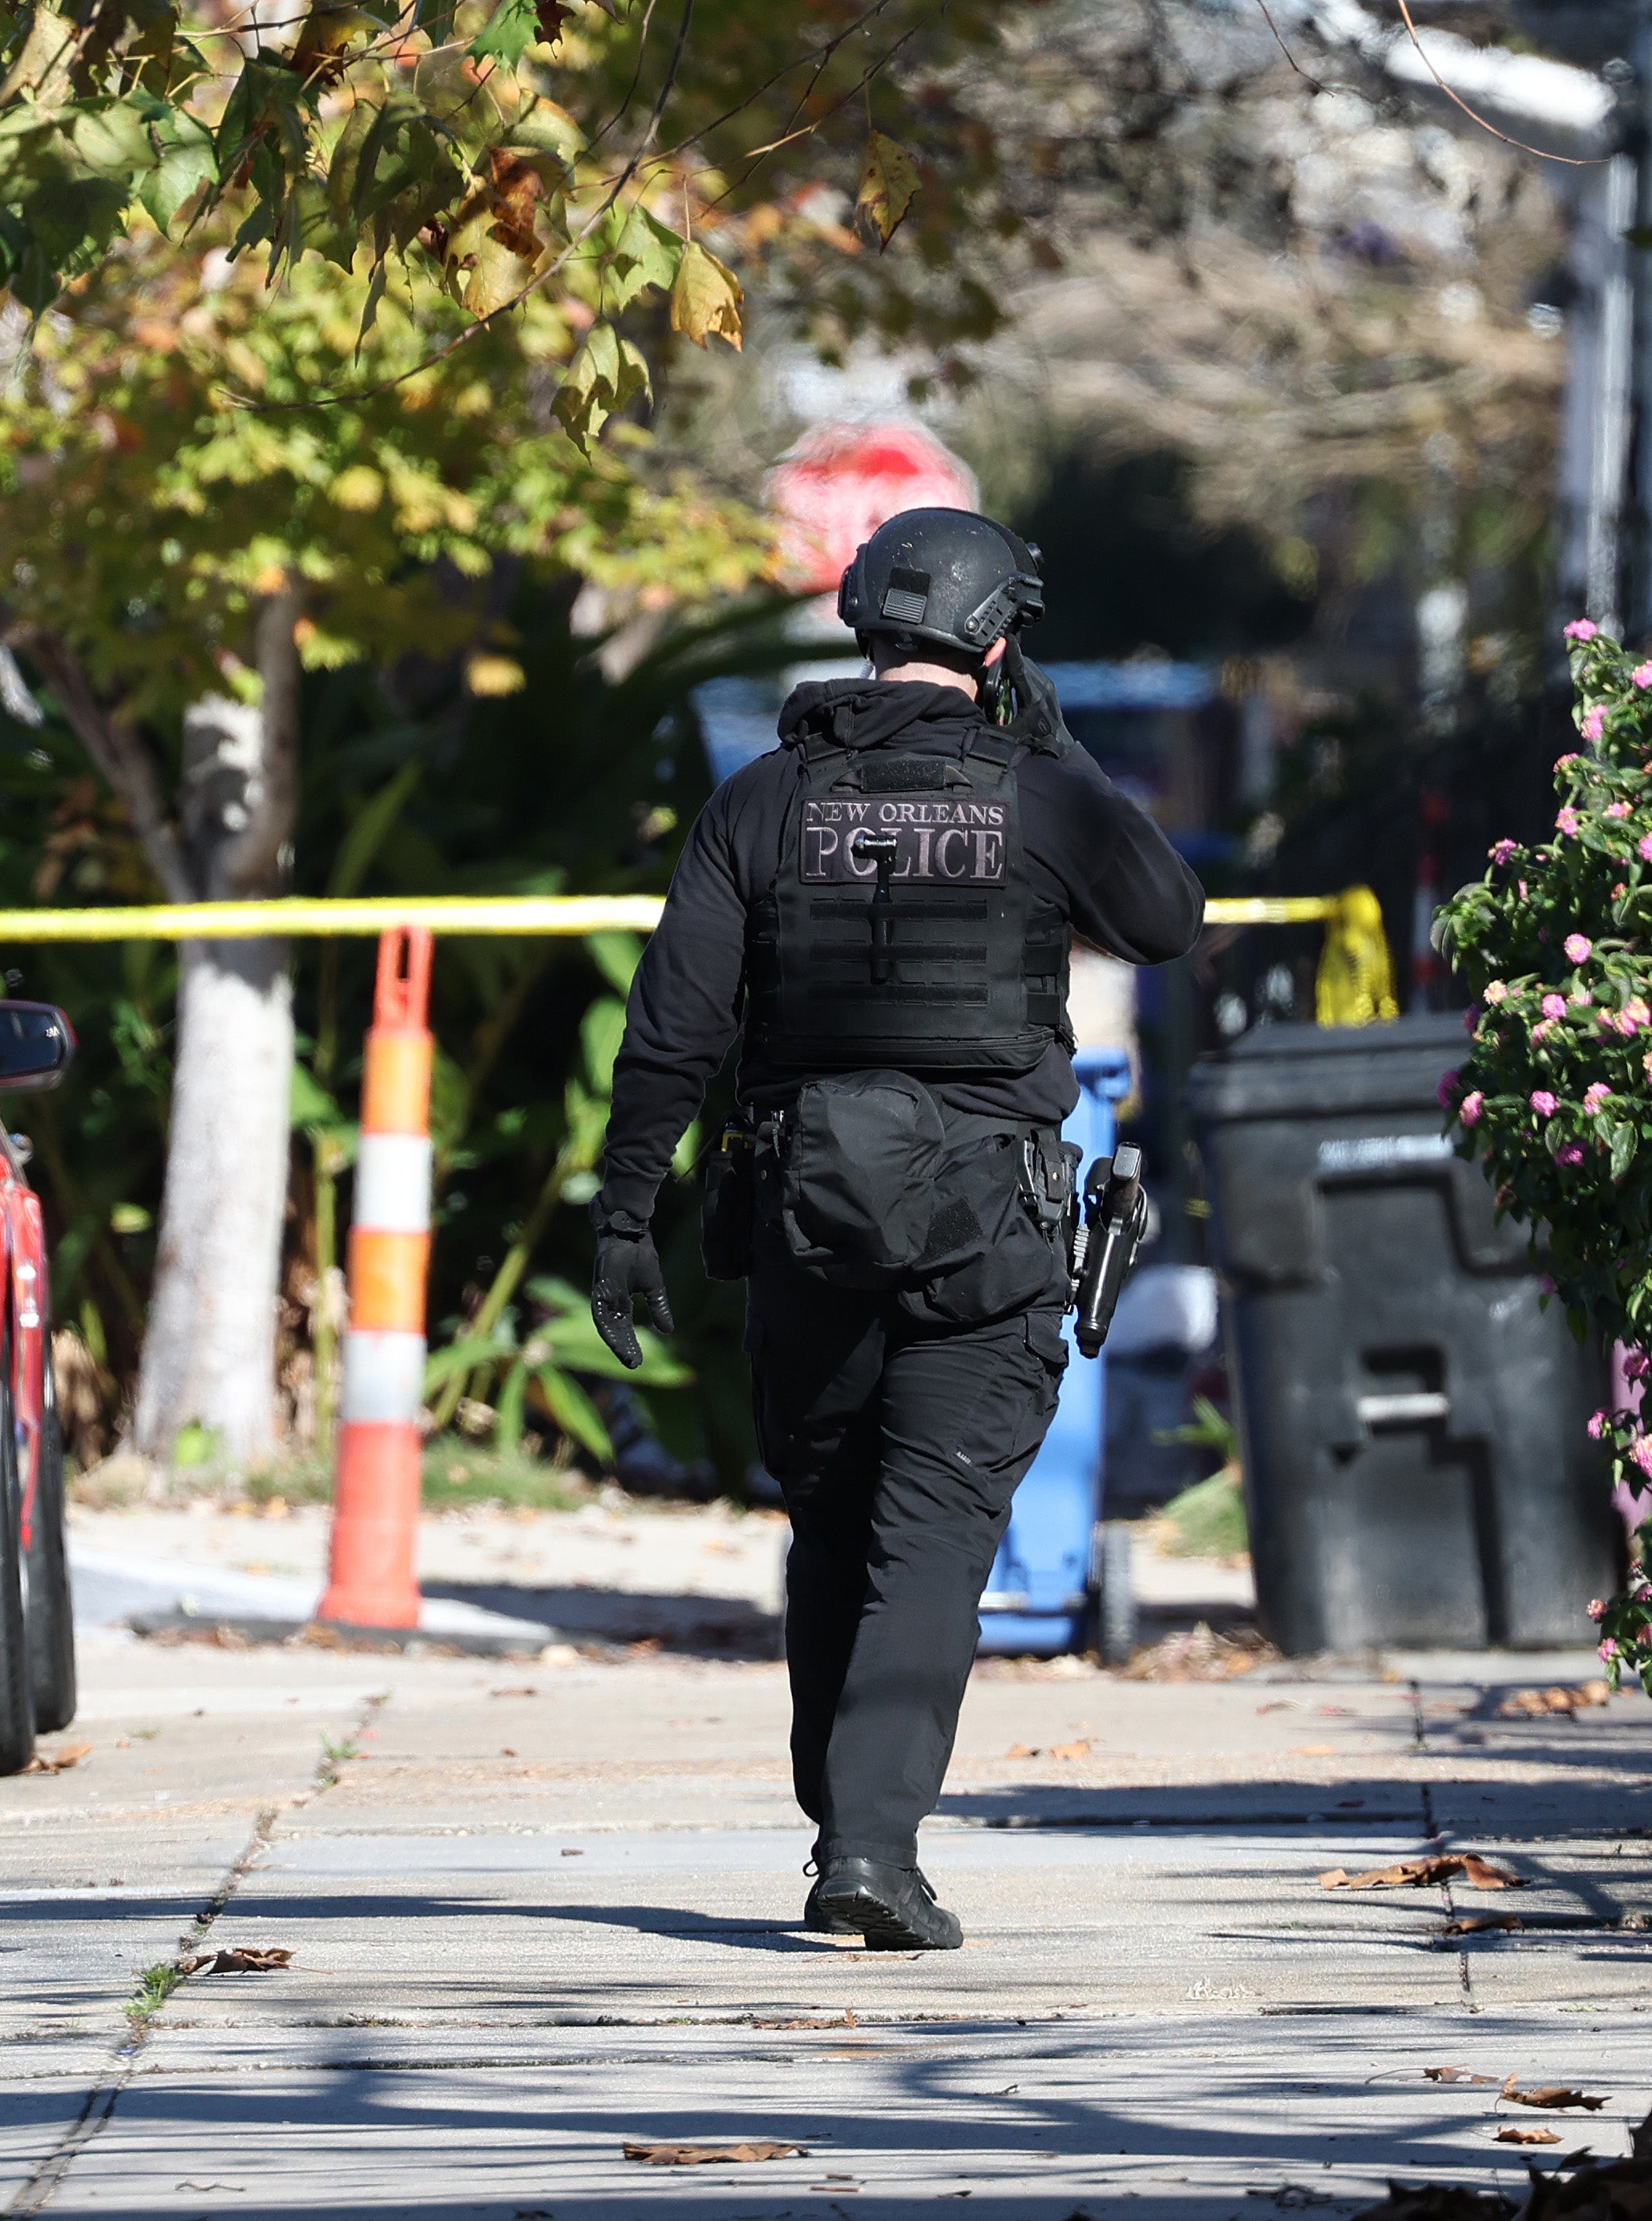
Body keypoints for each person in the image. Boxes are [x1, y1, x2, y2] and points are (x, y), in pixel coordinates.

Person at [588, 507, 1203, 1948]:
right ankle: (868, 1844)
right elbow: (1164, 920)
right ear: (999, 639)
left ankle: (844, 1816)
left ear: (862, 622)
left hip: (806, 1217)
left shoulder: (760, 802)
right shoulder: (1039, 792)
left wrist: (625, 1213)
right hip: (987, 1225)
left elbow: (673, 1029)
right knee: (929, 1539)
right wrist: (1055, 753)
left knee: (833, 1527)